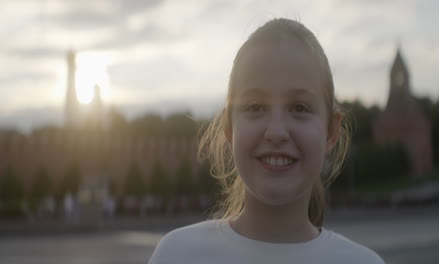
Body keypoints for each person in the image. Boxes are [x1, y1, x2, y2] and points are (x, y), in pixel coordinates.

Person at [148, 18, 385, 264]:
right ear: (229, 128)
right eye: (255, 106)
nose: (276, 131)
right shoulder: (177, 255)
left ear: (331, 132)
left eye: (299, 107)